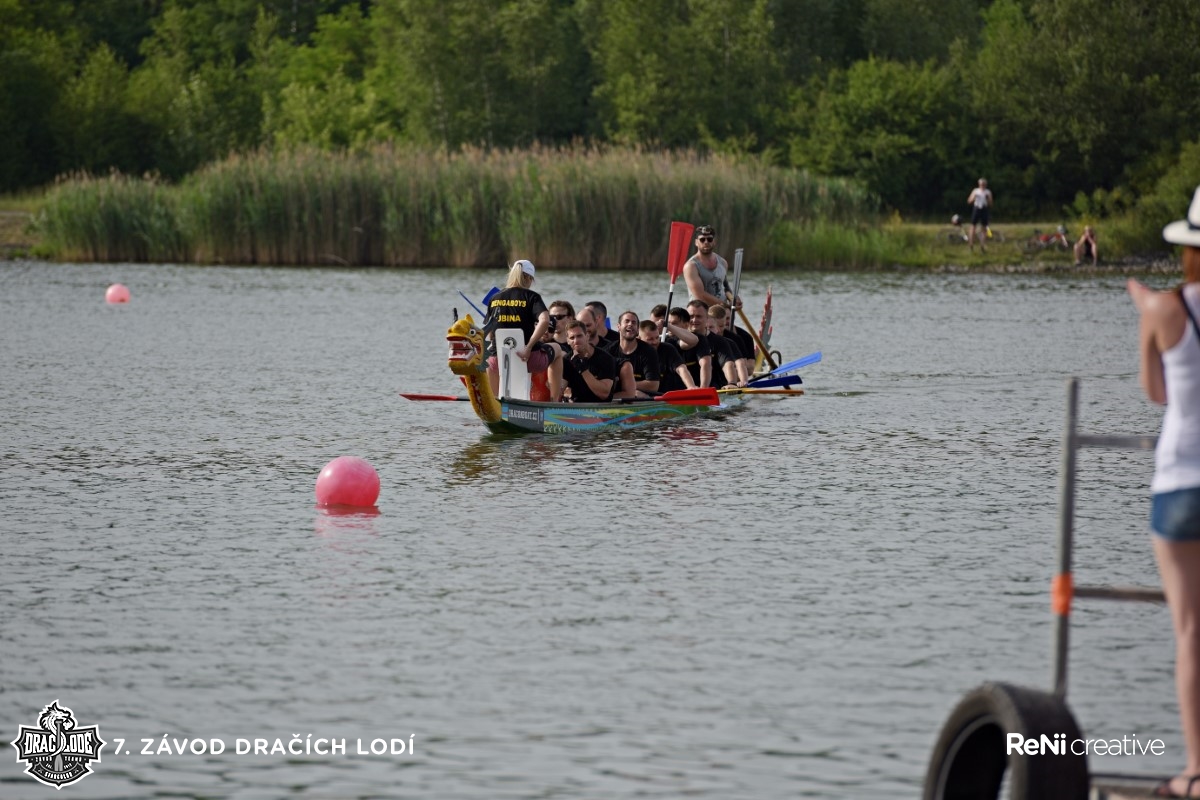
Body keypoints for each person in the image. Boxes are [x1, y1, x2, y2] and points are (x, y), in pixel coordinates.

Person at [1128, 187, 1200, 799]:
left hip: (1179, 480)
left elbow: (1156, 393)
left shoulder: (1163, 309)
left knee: (1190, 632)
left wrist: (1148, 310)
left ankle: (1195, 771)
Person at [483, 259, 563, 400]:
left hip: (498, 361)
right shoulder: (532, 297)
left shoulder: (494, 298)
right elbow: (545, 320)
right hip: (528, 358)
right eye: (531, 280)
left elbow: (490, 332)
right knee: (557, 349)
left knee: (491, 359)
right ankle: (554, 401)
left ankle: (495, 401)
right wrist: (528, 347)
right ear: (527, 278)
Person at [683, 225, 741, 311]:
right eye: (702, 239)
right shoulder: (691, 266)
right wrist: (726, 306)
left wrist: (734, 299)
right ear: (696, 242)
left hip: (721, 313)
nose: (706, 242)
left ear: (714, 242)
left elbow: (725, 287)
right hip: (701, 313)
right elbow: (700, 295)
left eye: (709, 239)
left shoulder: (723, 262)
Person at [560, 319, 617, 403]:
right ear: (567, 341)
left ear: (587, 336)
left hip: (601, 407)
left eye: (579, 336)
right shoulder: (567, 361)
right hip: (576, 407)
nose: (576, 341)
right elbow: (560, 390)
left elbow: (604, 394)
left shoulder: (605, 358)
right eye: (572, 338)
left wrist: (583, 369)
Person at [639, 319, 696, 393]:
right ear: (638, 339)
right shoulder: (633, 353)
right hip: (643, 395)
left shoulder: (667, 348)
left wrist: (691, 386)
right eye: (650, 339)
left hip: (668, 394)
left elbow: (681, 369)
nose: (655, 342)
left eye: (657, 338)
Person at [613, 311, 660, 399]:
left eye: (634, 322)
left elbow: (653, 385)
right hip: (615, 397)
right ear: (618, 327)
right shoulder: (608, 351)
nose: (630, 324)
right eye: (627, 321)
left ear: (638, 329)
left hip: (641, 398)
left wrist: (627, 387)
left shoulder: (649, 351)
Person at [967, 178, 994, 253]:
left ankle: (982, 245)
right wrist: (974, 198)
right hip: (977, 209)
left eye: (984, 184)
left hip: (984, 209)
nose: (982, 186)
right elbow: (969, 201)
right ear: (979, 184)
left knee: (984, 228)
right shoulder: (976, 191)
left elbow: (991, 203)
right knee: (973, 226)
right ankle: (971, 244)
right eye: (981, 184)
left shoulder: (988, 192)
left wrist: (988, 199)